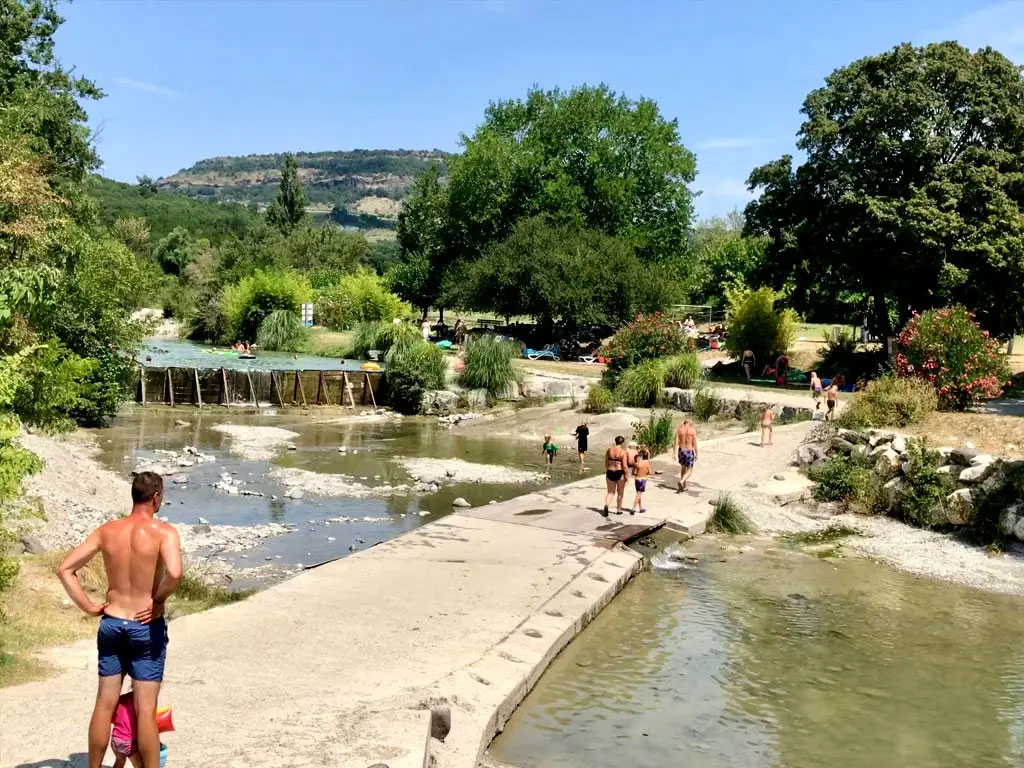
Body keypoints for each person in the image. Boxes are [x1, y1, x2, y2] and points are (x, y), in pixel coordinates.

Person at [57, 472, 182, 768]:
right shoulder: (164, 532)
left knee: (105, 702)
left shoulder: (107, 530)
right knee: (145, 707)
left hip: (112, 624)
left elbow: (65, 569)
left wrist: (88, 607)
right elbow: (175, 573)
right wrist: (158, 601)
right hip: (144, 626)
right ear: (156, 498)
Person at [603, 436, 629, 516]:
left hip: (610, 471)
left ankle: (606, 505)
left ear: (615, 441)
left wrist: (608, 468)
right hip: (619, 472)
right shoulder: (622, 452)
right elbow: (624, 466)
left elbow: (606, 461)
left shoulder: (609, 450)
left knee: (610, 492)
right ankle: (619, 510)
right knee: (620, 493)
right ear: (622, 443)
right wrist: (627, 475)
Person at [674, 419, 698, 492]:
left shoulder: (679, 430)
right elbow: (694, 443)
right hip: (689, 451)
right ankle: (682, 481)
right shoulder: (692, 430)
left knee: (683, 469)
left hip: (681, 451)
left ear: (684, 423)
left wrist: (674, 453)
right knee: (689, 470)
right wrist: (697, 453)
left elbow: (676, 442)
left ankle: (683, 487)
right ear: (690, 424)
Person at [631, 449, 651, 515]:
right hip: (643, 480)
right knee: (638, 495)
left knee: (638, 494)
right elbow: (650, 472)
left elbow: (633, 473)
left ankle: (640, 508)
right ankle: (633, 508)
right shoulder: (646, 463)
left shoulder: (636, 463)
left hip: (637, 479)